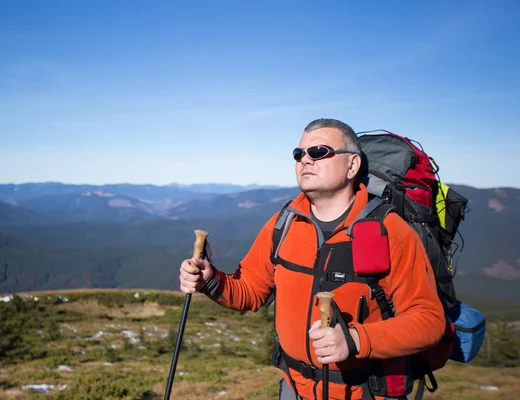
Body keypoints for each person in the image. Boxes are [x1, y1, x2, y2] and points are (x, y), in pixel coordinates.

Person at [179, 118, 446, 400]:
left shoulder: (389, 230)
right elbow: (250, 291)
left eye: (319, 152)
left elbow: (428, 321)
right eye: (300, 153)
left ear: (352, 165)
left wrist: (355, 340)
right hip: (294, 390)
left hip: (365, 393)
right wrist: (210, 280)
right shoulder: (284, 224)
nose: (305, 160)